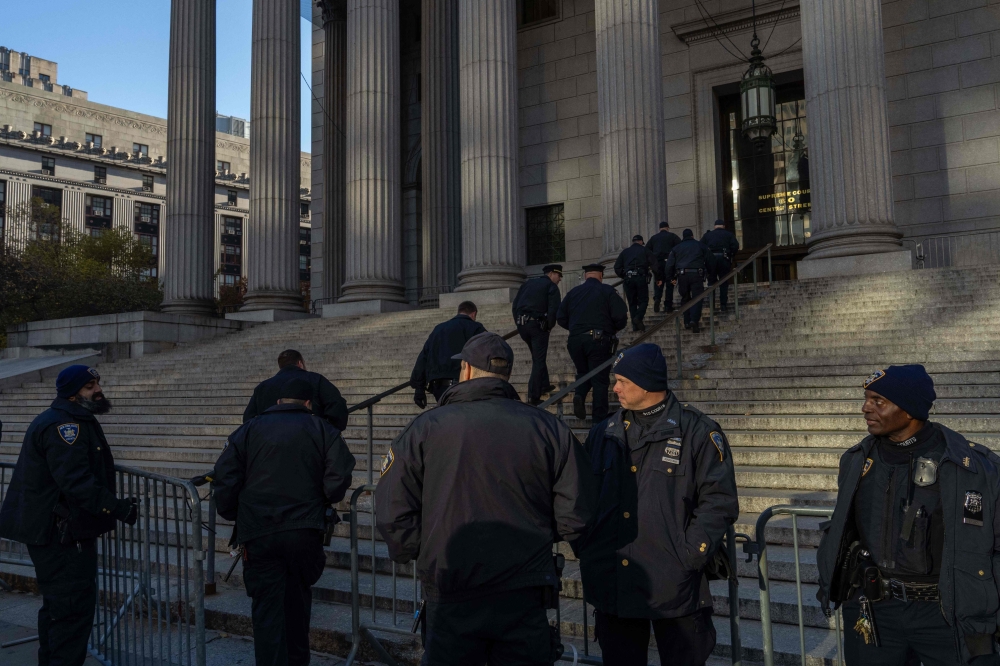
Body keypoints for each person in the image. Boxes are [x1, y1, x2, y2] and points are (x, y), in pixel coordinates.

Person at [375, 332, 595, 666]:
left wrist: (422, 549)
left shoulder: (427, 427)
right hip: (523, 585)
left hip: (452, 583)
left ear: (465, 370)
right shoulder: (548, 427)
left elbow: (393, 508)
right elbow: (576, 510)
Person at [816, 365, 1000, 666]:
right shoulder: (856, 461)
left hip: (947, 614)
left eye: (878, 401)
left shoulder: (971, 466)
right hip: (874, 609)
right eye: (866, 399)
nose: (865, 408)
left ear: (910, 410)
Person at [578, 345, 739, 666]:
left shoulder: (697, 430)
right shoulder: (603, 434)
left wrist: (689, 555)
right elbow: (582, 496)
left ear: (647, 382)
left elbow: (718, 501)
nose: (615, 388)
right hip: (615, 582)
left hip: (675, 586)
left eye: (622, 380)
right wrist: (588, 547)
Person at [0, 365, 138, 666]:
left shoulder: (71, 418)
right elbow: (76, 481)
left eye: (98, 383)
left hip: (60, 531)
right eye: (90, 386)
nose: (98, 389)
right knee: (71, 612)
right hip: (60, 535)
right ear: (73, 394)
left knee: (59, 610)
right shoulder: (65, 426)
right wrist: (118, 508)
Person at [213, 377, 356, 666]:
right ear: (308, 403)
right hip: (304, 532)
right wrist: (324, 497)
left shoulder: (247, 430)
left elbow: (225, 480)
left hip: (259, 533)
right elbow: (338, 477)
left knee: (267, 613)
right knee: (297, 608)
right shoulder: (323, 429)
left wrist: (233, 513)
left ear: (277, 402)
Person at [557, 264, 628, 423]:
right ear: (601, 276)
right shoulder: (607, 290)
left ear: (585, 275)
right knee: (600, 381)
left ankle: (580, 395)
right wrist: (611, 329)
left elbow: (560, 317)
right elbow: (620, 316)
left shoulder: (573, 292)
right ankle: (599, 421)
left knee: (584, 372)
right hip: (598, 340)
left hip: (575, 340)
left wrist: (576, 329)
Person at [243, 349, 348, 431]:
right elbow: (336, 404)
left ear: (280, 366)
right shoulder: (316, 379)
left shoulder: (262, 387)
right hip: (309, 439)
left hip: (269, 442)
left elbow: (248, 418)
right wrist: (328, 430)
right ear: (300, 363)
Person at [410, 300, 486, 407]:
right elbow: (487, 352)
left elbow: (423, 357)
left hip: (440, 388)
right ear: (473, 314)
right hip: (464, 384)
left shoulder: (438, 329)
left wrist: (419, 388)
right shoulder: (475, 327)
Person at [512, 264, 563, 405]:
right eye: (559, 276)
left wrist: (518, 323)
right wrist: (549, 326)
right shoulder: (551, 287)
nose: (559, 280)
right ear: (552, 274)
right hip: (537, 326)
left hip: (523, 325)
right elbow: (554, 309)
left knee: (537, 356)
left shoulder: (528, 284)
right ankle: (533, 396)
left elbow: (515, 305)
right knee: (539, 360)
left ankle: (544, 383)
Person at [664, 229, 713, 333]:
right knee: (697, 298)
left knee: (685, 298)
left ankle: (686, 321)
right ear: (692, 235)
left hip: (682, 275)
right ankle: (694, 320)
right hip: (697, 274)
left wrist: (670, 278)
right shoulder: (700, 245)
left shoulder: (676, 248)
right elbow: (710, 259)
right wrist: (710, 273)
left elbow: (669, 265)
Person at [613, 235, 663, 332]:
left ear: (633, 242)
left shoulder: (625, 252)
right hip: (641, 277)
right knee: (643, 301)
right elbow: (655, 265)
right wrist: (658, 278)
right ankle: (638, 318)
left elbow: (617, 267)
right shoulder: (645, 250)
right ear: (641, 242)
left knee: (632, 303)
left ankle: (635, 326)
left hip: (628, 278)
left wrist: (625, 275)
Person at [701, 220, 740, 312]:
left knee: (711, 282)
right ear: (724, 226)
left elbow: (701, 247)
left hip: (711, 259)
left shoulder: (707, 235)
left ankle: (712, 304)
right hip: (724, 258)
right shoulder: (729, 234)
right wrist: (731, 256)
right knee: (723, 281)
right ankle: (723, 304)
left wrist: (705, 258)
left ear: (714, 226)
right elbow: (735, 246)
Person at [647, 222, 681, 313]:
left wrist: (652, 262)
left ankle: (657, 298)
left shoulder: (653, 238)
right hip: (669, 263)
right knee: (670, 284)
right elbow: (680, 248)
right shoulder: (673, 236)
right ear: (668, 228)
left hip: (657, 264)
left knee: (658, 282)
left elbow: (647, 251)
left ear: (659, 228)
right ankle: (668, 306)